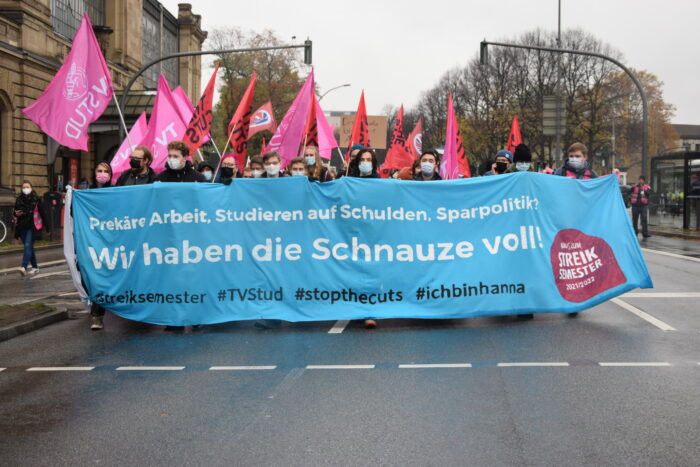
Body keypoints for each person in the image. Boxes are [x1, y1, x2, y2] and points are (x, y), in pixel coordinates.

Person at [88, 163, 114, 330]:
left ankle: (99, 313)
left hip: (112, 239)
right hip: (93, 239)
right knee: (96, 275)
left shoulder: (115, 191)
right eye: (99, 171)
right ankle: (97, 312)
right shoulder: (86, 193)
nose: (102, 174)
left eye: (106, 171)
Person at [13, 180, 48, 276]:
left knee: (28, 245)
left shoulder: (36, 199)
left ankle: (23, 267)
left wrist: (47, 227)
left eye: (27, 187)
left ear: (31, 188)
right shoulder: (19, 199)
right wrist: (16, 213)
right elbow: (15, 212)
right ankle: (35, 267)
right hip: (22, 226)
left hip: (33, 226)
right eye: (23, 187)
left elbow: (43, 213)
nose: (25, 189)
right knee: (29, 247)